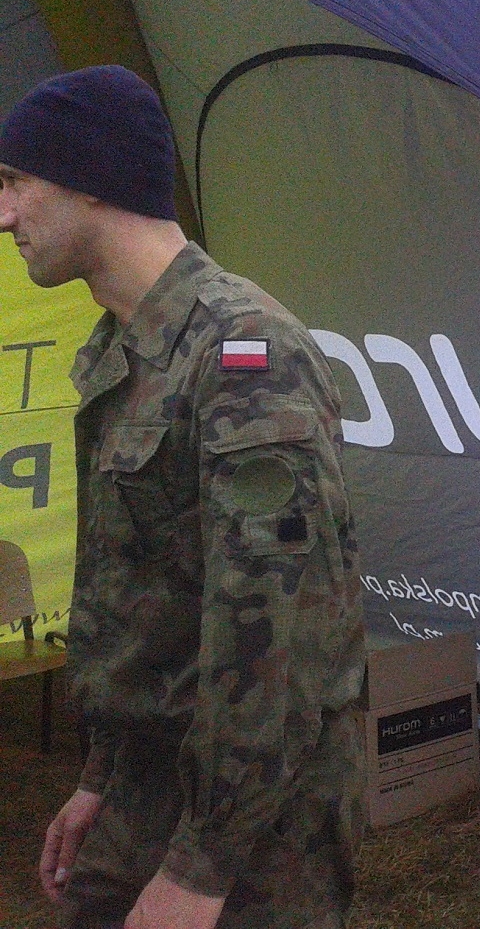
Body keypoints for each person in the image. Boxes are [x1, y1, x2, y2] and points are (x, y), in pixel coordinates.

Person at [0, 65, 364, 929]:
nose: (3, 215)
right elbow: (140, 601)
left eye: (14, 182)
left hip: (254, 831)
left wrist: (199, 873)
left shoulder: (245, 355)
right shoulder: (124, 350)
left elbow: (278, 640)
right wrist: (102, 777)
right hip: (153, 785)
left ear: (89, 177)